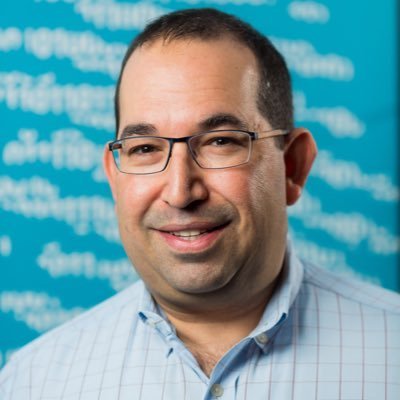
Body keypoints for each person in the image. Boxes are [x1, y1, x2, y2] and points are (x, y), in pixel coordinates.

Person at [1, 7, 399, 400]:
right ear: (114, 175)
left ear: (292, 167)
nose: (180, 192)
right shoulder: (33, 381)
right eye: (144, 149)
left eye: (220, 141)